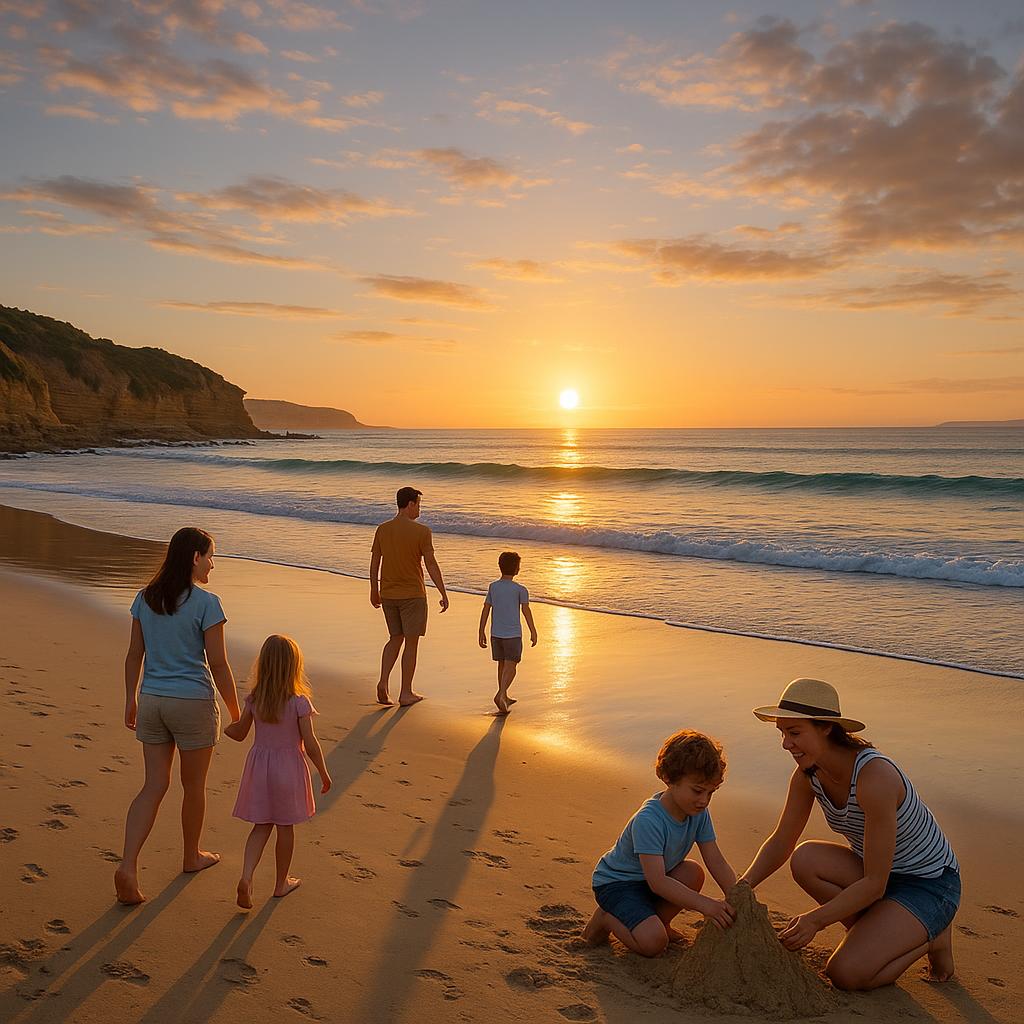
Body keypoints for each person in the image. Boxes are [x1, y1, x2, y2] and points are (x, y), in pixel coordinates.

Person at [740, 677, 960, 990]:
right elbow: (781, 841)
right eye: (782, 733)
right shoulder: (808, 775)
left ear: (826, 728)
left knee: (846, 973)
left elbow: (875, 883)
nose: (786, 744)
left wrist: (816, 920)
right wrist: (742, 886)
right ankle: (876, 934)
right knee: (805, 858)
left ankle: (933, 939)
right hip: (878, 873)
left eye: (795, 732)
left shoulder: (875, 777)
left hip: (929, 884)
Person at [116, 527, 241, 905]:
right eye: (211, 556)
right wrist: (237, 711)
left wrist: (130, 700)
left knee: (153, 785)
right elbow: (218, 664)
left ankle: (128, 864)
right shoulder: (207, 603)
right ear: (195, 558)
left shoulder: (144, 598)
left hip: (153, 699)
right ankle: (191, 855)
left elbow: (134, 654)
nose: (213, 564)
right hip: (192, 704)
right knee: (194, 786)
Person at [582, 730, 737, 957]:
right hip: (618, 884)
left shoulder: (698, 813)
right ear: (669, 779)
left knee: (692, 872)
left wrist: (737, 896)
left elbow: (716, 860)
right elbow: (658, 882)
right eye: (697, 790)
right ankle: (606, 918)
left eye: (711, 793)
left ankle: (659, 921)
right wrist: (706, 905)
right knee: (654, 943)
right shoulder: (649, 820)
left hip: (649, 880)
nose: (704, 800)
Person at [225, 634, 331, 909]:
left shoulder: (255, 699)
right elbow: (310, 743)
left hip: (260, 767)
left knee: (261, 825)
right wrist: (323, 770)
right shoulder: (299, 701)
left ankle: (246, 877)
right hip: (289, 769)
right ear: (294, 666)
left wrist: (227, 727)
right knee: (285, 828)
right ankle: (280, 883)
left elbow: (239, 733)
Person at [369, 486, 449, 706]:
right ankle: (406, 692)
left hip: (388, 593)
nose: (420, 511)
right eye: (418, 505)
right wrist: (442, 591)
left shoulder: (383, 529)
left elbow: (375, 561)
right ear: (410, 504)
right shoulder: (422, 532)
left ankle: (384, 683)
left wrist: (373, 589)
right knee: (411, 644)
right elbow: (430, 564)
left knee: (395, 638)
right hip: (413, 595)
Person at [477, 550, 538, 714]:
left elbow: (486, 609)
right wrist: (533, 630)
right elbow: (526, 611)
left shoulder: (493, 587)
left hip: (496, 633)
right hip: (513, 635)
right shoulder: (520, 589)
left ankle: (504, 694)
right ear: (517, 569)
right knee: (512, 666)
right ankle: (501, 694)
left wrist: (481, 630)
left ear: (499, 566)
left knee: (502, 664)